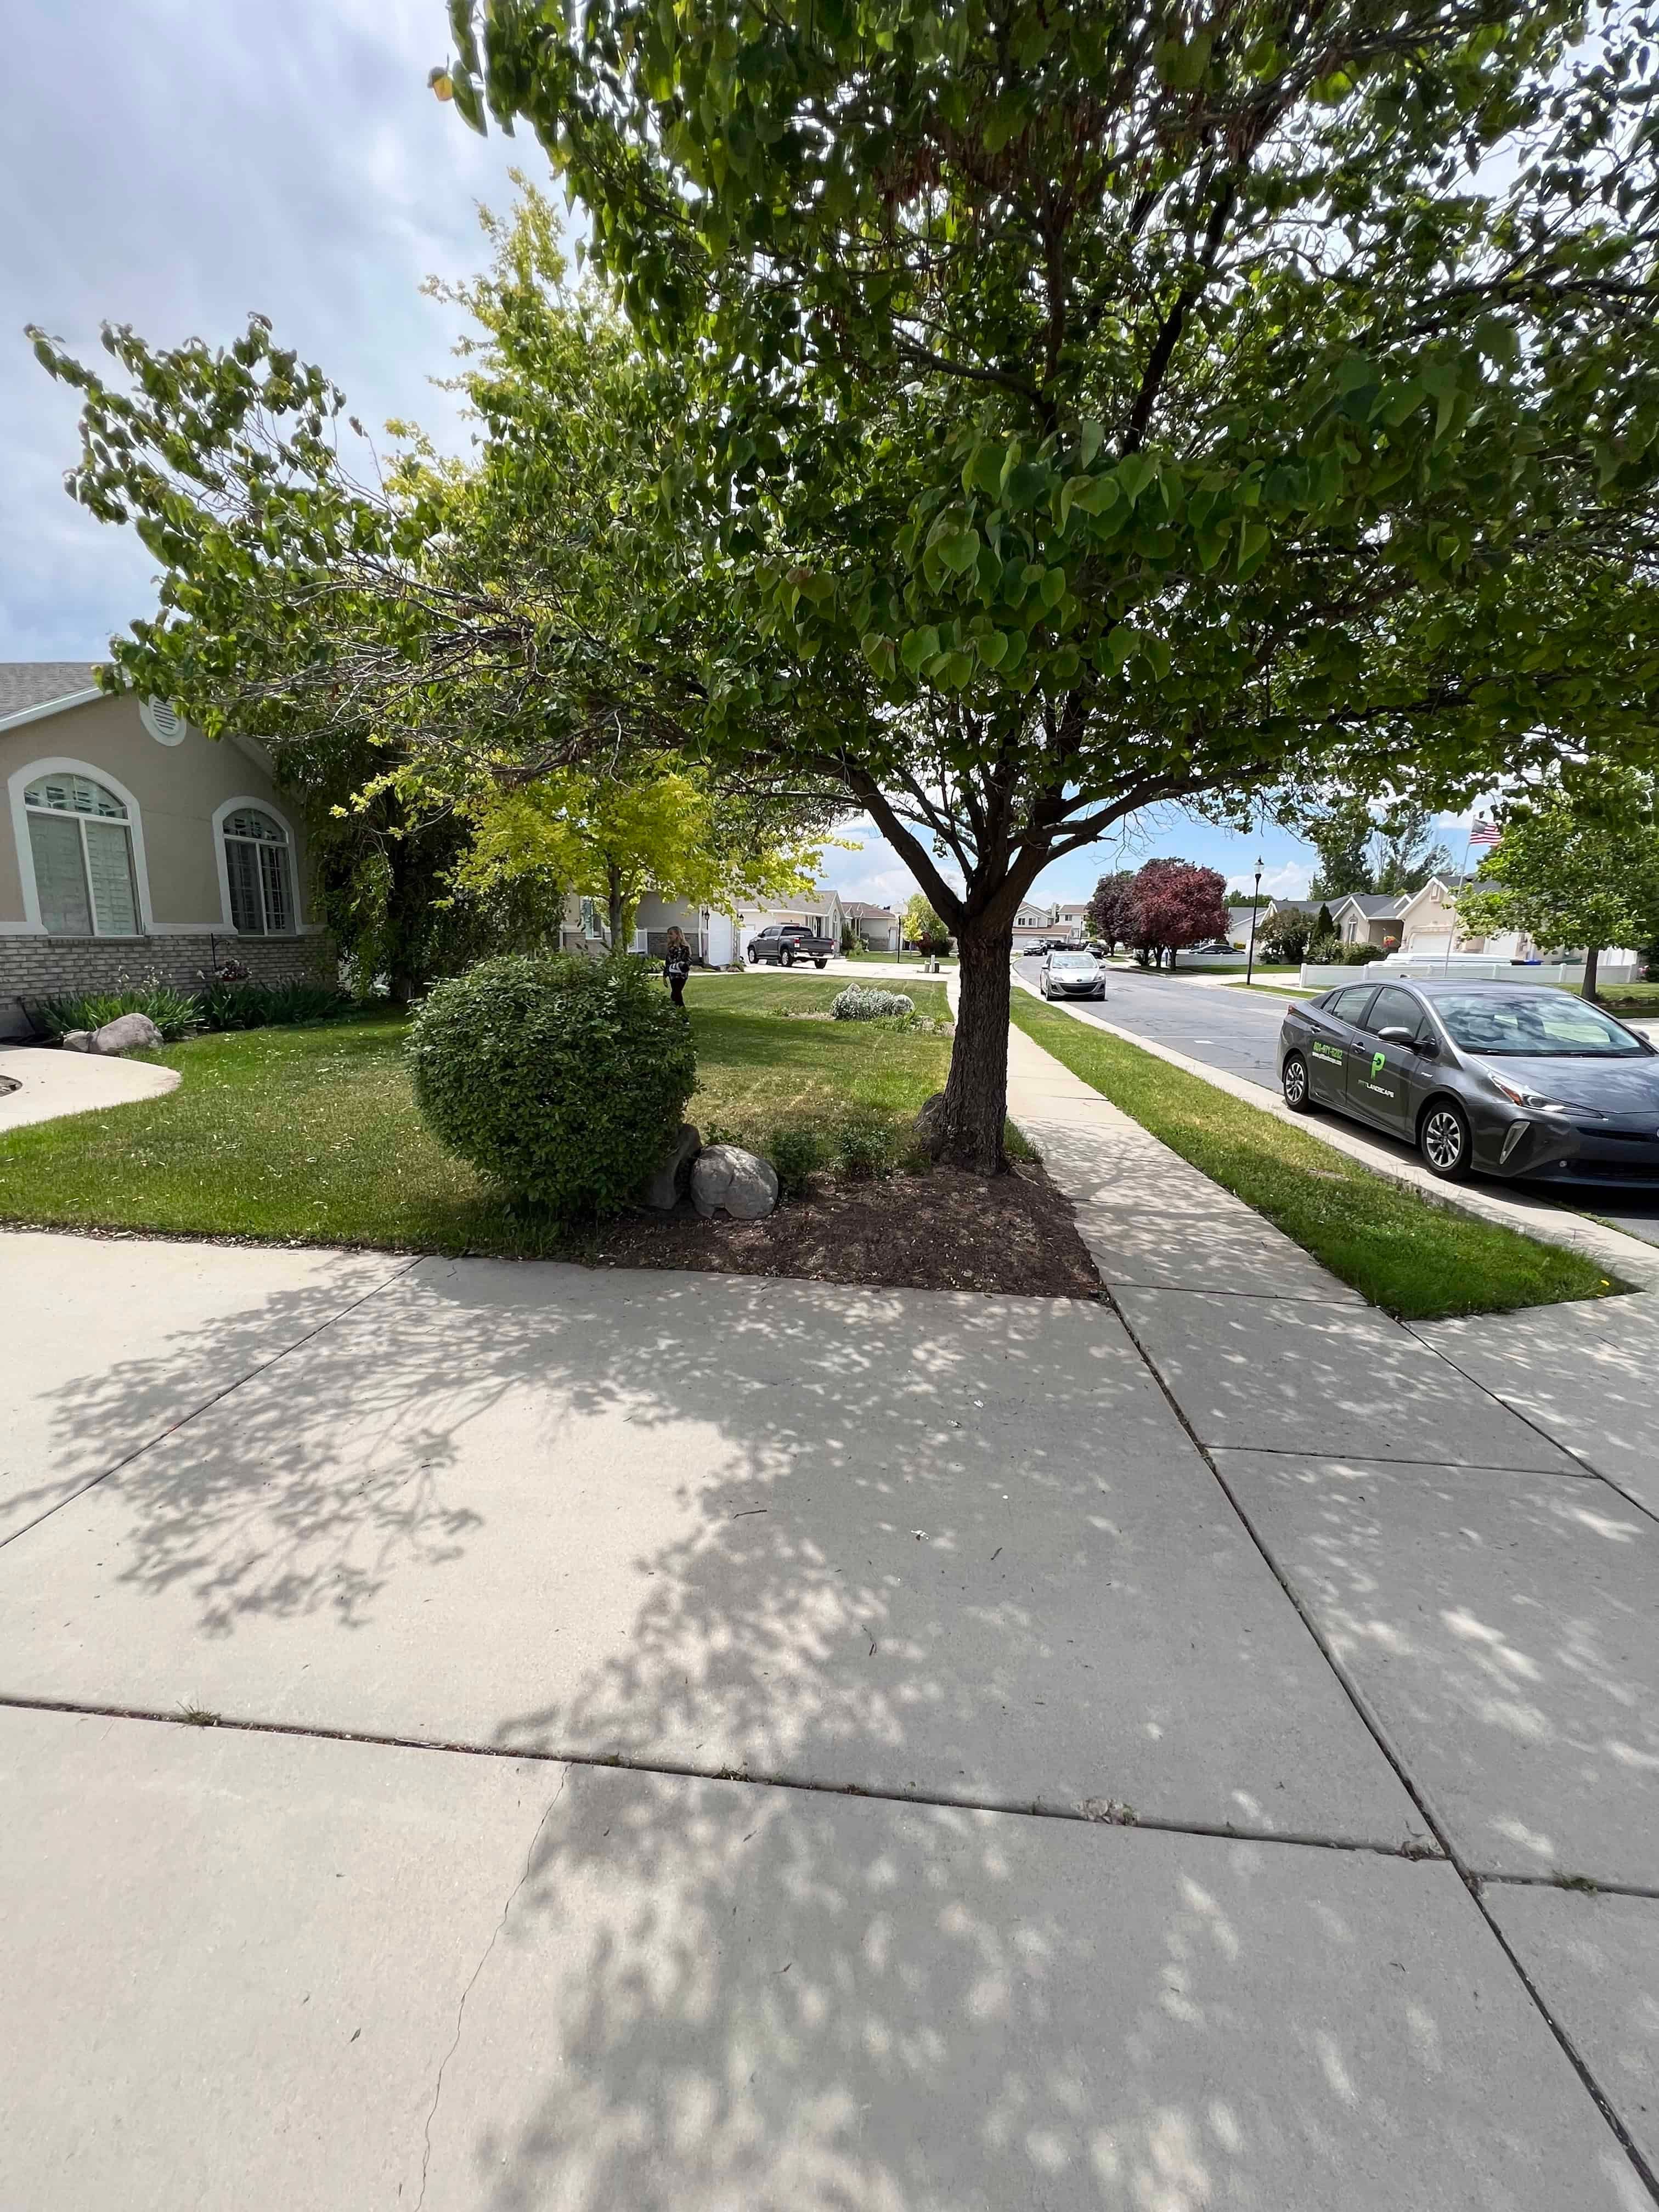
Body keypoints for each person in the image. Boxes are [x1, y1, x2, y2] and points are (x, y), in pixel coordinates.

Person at [663, 925, 692, 1008]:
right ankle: (676, 1016)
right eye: (668, 934)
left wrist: (683, 966)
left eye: (671, 934)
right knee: (675, 995)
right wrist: (665, 976)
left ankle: (683, 1018)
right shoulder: (670, 948)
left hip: (681, 975)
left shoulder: (685, 948)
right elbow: (667, 963)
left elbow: (689, 961)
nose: (669, 936)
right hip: (673, 975)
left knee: (676, 994)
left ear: (678, 935)